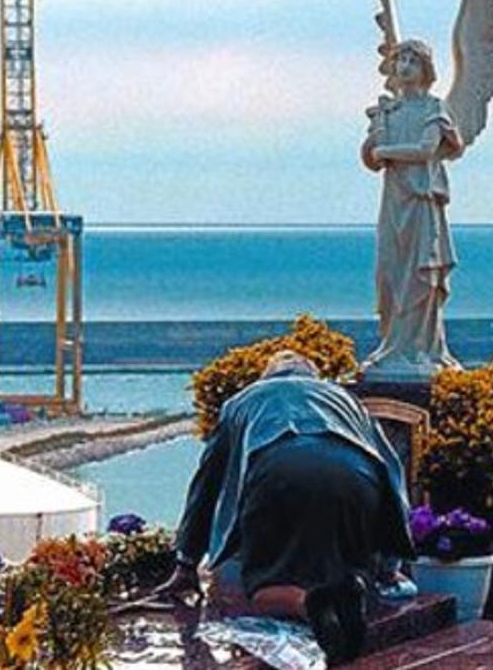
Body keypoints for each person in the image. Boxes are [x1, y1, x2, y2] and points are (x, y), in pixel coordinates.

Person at [156, 350, 415, 665]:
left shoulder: (240, 402)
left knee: (264, 586)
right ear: (313, 376)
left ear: (267, 375)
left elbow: (206, 486)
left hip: (278, 472)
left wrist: (186, 562)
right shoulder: (345, 399)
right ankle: (354, 587)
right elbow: (391, 472)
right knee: (349, 565)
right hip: (357, 478)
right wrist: (389, 567)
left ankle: (308, 604)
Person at [361, 40, 464, 378]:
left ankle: (421, 348)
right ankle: (393, 344)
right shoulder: (389, 111)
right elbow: (370, 159)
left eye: (412, 60)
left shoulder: (434, 109)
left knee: (421, 276)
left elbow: (425, 150)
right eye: (400, 59)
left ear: (426, 70)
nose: (404, 66)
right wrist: (375, 134)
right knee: (389, 273)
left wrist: (386, 150)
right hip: (393, 203)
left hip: (421, 203)